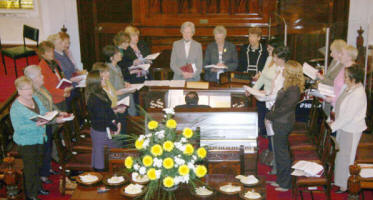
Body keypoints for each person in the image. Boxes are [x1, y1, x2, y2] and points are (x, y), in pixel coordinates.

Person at [9, 77, 51, 200]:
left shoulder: (34, 98)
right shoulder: (16, 108)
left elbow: (43, 111)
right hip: (26, 142)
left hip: (40, 138)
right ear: (19, 91)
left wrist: (48, 115)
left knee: (38, 164)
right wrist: (35, 124)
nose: (29, 91)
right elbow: (19, 128)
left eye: (30, 88)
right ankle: (31, 194)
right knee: (30, 169)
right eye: (25, 89)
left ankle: (38, 187)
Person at [24, 65, 67, 184]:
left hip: (47, 123)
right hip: (39, 128)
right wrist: (56, 120)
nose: (43, 77)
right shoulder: (32, 94)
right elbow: (39, 115)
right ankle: (42, 175)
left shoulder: (42, 87)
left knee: (47, 148)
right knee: (42, 151)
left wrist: (59, 112)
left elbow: (51, 104)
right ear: (33, 79)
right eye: (40, 75)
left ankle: (47, 169)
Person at [265, 60, 305, 191]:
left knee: (282, 154)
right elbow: (279, 105)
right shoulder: (289, 85)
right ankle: (281, 180)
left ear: (290, 73)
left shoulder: (294, 89)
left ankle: (285, 184)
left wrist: (269, 115)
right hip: (280, 121)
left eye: (285, 70)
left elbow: (284, 109)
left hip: (283, 123)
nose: (282, 71)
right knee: (279, 152)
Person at [329, 66, 367, 193]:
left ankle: (345, 184)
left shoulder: (358, 93)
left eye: (346, 76)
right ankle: (339, 180)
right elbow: (339, 103)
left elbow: (348, 117)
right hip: (342, 126)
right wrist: (332, 119)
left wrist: (331, 127)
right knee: (340, 155)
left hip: (351, 129)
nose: (344, 78)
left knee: (347, 156)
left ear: (354, 79)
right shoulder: (348, 88)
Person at [85, 70, 124, 171]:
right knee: (101, 161)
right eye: (102, 79)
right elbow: (101, 119)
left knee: (114, 152)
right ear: (95, 82)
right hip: (100, 132)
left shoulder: (101, 92)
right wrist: (115, 127)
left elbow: (109, 110)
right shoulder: (94, 99)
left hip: (107, 128)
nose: (105, 80)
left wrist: (117, 121)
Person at [251, 39, 282, 137]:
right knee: (261, 122)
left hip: (272, 97)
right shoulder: (269, 59)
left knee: (270, 125)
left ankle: (270, 147)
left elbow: (277, 84)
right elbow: (263, 77)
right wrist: (254, 90)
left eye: (270, 49)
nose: (268, 52)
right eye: (268, 49)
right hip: (263, 95)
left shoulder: (280, 63)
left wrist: (267, 92)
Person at [91, 62, 128, 134]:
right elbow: (102, 111)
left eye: (108, 71)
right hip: (108, 119)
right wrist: (116, 109)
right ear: (98, 75)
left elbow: (113, 95)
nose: (108, 74)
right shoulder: (98, 90)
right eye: (104, 72)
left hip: (115, 112)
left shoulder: (107, 82)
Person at [102, 45, 137, 116]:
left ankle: (133, 118)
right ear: (111, 57)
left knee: (131, 95)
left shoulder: (117, 67)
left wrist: (125, 84)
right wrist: (127, 91)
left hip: (122, 96)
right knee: (130, 95)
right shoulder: (107, 71)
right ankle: (133, 119)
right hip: (116, 99)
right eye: (117, 53)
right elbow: (109, 92)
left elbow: (119, 81)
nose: (120, 54)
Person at [37, 41, 72, 111]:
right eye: (49, 52)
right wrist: (63, 93)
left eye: (52, 51)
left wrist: (67, 90)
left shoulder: (55, 62)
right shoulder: (42, 68)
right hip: (54, 100)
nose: (52, 54)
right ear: (43, 54)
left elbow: (62, 78)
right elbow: (48, 89)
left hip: (62, 96)